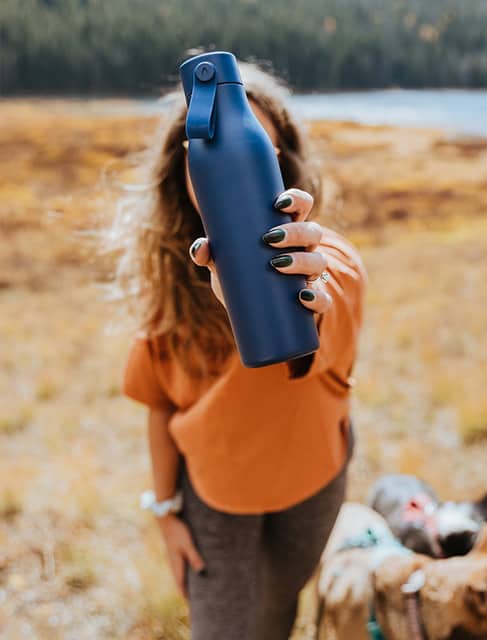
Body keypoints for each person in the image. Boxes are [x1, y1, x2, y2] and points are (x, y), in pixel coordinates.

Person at [112, 61, 368, 640]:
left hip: (312, 483)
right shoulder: (169, 294)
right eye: (208, 150)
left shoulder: (327, 259)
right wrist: (165, 512)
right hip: (214, 498)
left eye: (256, 153)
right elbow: (160, 407)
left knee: (277, 617)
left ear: (283, 167)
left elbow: (330, 304)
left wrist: (294, 299)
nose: (230, 169)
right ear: (182, 168)